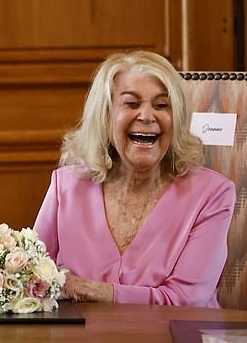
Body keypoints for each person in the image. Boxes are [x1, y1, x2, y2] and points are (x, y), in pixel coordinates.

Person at [33, 50, 236, 307]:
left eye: (162, 105)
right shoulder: (66, 185)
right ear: (105, 116)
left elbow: (185, 301)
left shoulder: (213, 194)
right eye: (131, 104)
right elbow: (32, 276)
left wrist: (85, 289)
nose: (147, 116)